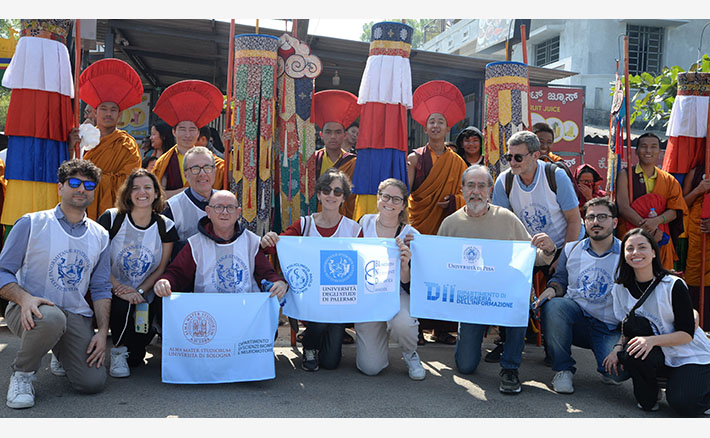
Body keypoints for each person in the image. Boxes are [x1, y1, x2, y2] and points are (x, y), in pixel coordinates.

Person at [0, 159, 111, 409]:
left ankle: (60, 350)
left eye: (88, 184)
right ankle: (22, 374)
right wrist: (24, 298)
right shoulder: (31, 223)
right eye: (74, 182)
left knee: (92, 382)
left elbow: (102, 287)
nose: (81, 188)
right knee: (51, 319)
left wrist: (102, 333)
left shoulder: (100, 235)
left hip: (74, 315)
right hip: (30, 310)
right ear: (60, 187)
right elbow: (2, 271)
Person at [438, 164, 557, 394]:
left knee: (519, 302)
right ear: (462, 190)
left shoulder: (507, 219)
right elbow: (440, 265)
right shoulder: (450, 224)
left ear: (490, 190)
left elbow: (532, 257)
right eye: (470, 185)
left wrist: (549, 251)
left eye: (481, 186)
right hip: (471, 302)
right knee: (465, 366)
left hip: (503, 296)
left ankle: (510, 368)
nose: (476, 191)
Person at [260, 169, 362, 371]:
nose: (331, 195)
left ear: (344, 198)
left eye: (337, 192)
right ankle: (309, 345)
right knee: (318, 317)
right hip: (308, 298)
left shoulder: (353, 230)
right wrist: (267, 239)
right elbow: (277, 245)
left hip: (338, 300)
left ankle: (317, 339)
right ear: (318, 194)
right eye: (326, 190)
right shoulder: (304, 224)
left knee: (330, 363)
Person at [603, 228, 710, 416]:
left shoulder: (672, 285)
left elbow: (686, 334)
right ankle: (652, 394)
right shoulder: (620, 288)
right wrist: (617, 348)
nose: (635, 253)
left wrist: (651, 341)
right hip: (658, 352)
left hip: (689, 353)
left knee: (684, 405)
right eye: (629, 249)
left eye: (642, 247)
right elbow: (628, 328)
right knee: (645, 402)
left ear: (653, 252)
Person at [536, 197, 628, 394]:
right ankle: (563, 369)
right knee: (553, 306)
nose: (596, 222)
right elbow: (560, 280)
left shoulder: (626, 254)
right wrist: (551, 290)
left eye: (602, 217)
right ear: (584, 222)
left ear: (614, 222)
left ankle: (605, 365)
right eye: (591, 217)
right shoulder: (572, 249)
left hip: (608, 326)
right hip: (577, 320)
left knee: (617, 374)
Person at [97, 169, 178, 377]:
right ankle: (118, 350)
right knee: (122, 305)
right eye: (135, 188)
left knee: (136, 359)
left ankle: (137, 344)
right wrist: (119, 288)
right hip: (112, 286)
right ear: (127, 193)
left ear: (157, 193)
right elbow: (99, 261)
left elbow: (161, 267)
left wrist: (139, 290)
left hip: (145, 290)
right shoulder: (111, 219)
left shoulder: (165, 225)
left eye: (148, 187)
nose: (142, 192)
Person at [153, 190, 287, 298]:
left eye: (230, 208)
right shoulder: (195, 244)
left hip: (245, 312)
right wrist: (164, 282)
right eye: (218, 207)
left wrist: (278, 283)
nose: (224, 212)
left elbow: (266, 274)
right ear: (208, 212)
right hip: (208, 312)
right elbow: (177, 274)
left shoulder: (251, 241)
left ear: (238, 213)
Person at [355, 178, 425, 380]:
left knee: (403, 323)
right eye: (386, 197)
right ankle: (378, 339)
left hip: (397, 295)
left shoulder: (411, 235)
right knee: (370, 368)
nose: (390, 203)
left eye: (396, 199)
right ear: (378, 198)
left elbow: (413, 284)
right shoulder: (363, 223)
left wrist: (404, 264)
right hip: (369, 296)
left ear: (403, 204)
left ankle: (410, 351)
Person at [492, 130, 582, 268]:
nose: (513, 162)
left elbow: (574, 219)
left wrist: (563, 259)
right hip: (530, 250)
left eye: (518, 158)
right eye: (509, 157)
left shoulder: (556, 176)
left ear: (535, 155)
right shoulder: (504, 181)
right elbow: (502, 225)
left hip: (564, 246)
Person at [69, 58, 144, 221]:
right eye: (103, 109)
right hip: (78, 203)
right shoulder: (83, 136)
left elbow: (128, 182)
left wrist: (91, 179)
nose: (108, 114)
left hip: (111, 214)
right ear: (95, 112)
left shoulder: (126, 144)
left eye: (113, 110)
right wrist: (70, 146)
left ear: (119, 114)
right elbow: (68, 168)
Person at [616, 132, 688, 271]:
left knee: (659, 273)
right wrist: (648, 228)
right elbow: (623, 207)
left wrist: (657, 222)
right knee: (632, 271)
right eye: (644, 146)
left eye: (653, 147)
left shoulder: (668, 180)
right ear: (636, 151)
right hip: (632, 232)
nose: (648, 150)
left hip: (659, 234)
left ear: (660, 152)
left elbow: (676, 210)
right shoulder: (625, 175)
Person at [407, 80, 467, 237]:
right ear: (425, 129)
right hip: (417, 224)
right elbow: (405, 193)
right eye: (431, 122)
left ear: (447, 128)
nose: (436, 126)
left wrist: (455, 200)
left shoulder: (457, 162)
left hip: (447, 224)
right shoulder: (414, 159)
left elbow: (467, 193)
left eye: (440, 122)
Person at [151, 80, 226, 199]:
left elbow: (226, 184)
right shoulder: (163, 162)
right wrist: (187, 191)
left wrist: (231, 146)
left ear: (198, 133)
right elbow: (157, 194)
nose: (187, 134)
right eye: (182, 129)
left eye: (192, 129)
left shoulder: (215, 162)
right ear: (174, 132)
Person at [312, 90, 359, 219]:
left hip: (344, 218)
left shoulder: (352, 162)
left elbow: (353, 198)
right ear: (321, 135)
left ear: (344, 135)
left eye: (338, 132)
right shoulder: (313, 160)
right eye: (328, 132)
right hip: (317, 217)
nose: (333, 136)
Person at [162, 147, 218, 251]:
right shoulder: (172, 208)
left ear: (214, 171)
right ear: (185, 175)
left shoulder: (227, 202)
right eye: (195, 169)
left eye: (207, 168)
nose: (202, 173)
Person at [682, 162, 710, 330]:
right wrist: (699, 189)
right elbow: (682, 203)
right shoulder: (696, 171)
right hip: (696, 238)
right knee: (694, 279)